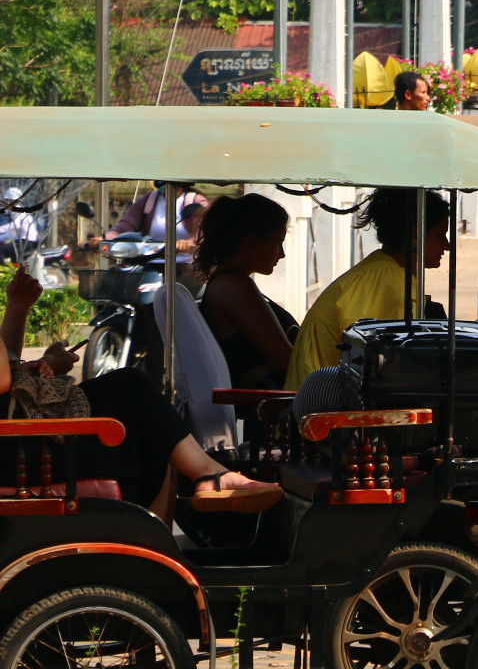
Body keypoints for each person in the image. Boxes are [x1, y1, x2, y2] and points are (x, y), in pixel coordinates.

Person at [0, 269, 279, 518]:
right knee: (130, 393)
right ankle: (209, 476)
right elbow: (3, 380)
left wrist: (18, 309)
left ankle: (186, 506)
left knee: (147, 418)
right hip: (16, 448)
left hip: (20, 434)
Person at [289, 189, 449, 415]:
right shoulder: (386, 282)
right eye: (441, 235)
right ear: (416, 236)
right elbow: (382, 373)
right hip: (323, 419)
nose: (447, 246)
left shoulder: (384, 272)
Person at [194, 194, 298, 389]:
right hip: (274, 406)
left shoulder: (229, 283)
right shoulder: (234, 287)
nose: (282, 254)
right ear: (251, 242)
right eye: (277, 242)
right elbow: (286, 361)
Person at [110, 186, 208, 247]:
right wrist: (105, 238)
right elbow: (126, 225)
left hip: (188, 267)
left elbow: (206, 232)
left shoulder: (196, 201)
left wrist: (188, 243)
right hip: (151, 264)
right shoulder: (148, 200)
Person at [0, 186, 38, 267]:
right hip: (22, 241)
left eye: (8, 201)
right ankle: (14, 275)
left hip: (27, 243)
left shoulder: (20, 212)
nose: (6, 204)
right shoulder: (14, 213)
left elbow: (12, 227)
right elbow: (11, 234)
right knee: (15, 260)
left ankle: (4, 274)